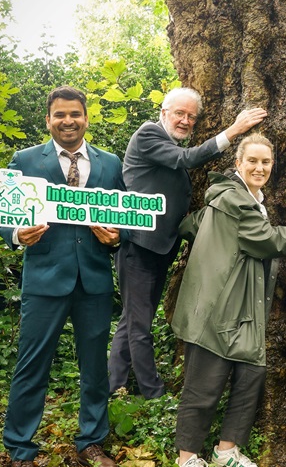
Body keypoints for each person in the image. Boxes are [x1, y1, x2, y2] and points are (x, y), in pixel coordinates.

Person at [171, 134, 286, 467]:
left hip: (243, 306)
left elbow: (190, 225)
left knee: (251, 376)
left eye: (266, 162)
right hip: (217, 305)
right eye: (253, 161)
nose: (259, 168)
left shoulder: (246, 200)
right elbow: (269, 241)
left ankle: (226, 449)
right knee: (204, 385)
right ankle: (186, 458)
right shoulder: (234, 199)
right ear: (238, 163)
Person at [0, 86, 124, 467]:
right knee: (32, 365)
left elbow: (125, 215)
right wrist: (16, 234)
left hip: (94, 280)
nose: (68, 121)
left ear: (86, 118)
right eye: (60, 115)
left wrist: (116, 237)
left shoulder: (110, 163)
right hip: (44, 279)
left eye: (75, 114)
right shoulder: (25, 160)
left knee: (95, 368)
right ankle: (21, 452)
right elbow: (0, 210)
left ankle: (91, 442)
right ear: (48, 120)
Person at [108, 88, 267, 399]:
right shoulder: (149, 134)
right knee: (139, 324)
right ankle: (153, 394)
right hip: (138, 245)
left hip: (159, 247)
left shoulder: (167, 142)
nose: (185, 121)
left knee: (133, 319)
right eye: (179, 113)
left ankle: (115, 386)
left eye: (191, 117)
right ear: (163, 113)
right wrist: (234, 130)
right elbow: (187, 159)